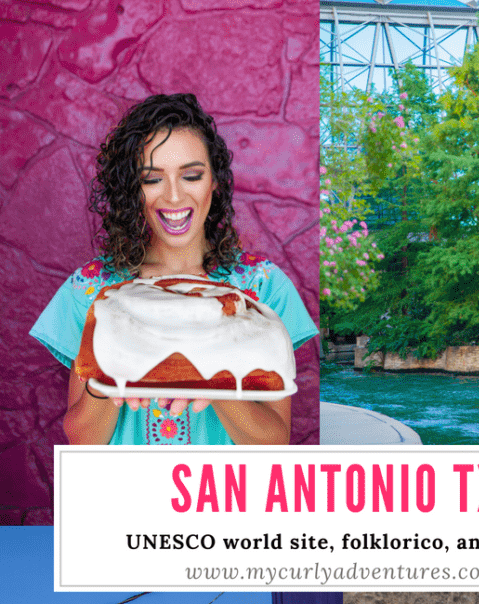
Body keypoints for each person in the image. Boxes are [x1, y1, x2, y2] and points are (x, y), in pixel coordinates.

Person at [30, 93, 317, 446]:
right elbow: (82, 440)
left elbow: (275, 442)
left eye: (191, 175)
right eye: (152, 179)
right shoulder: (93, 290)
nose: (175, 197)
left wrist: (216, 381)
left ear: (215, 181)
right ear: (132, 190)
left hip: (223, 499)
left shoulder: (263, 289)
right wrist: (107, 381)